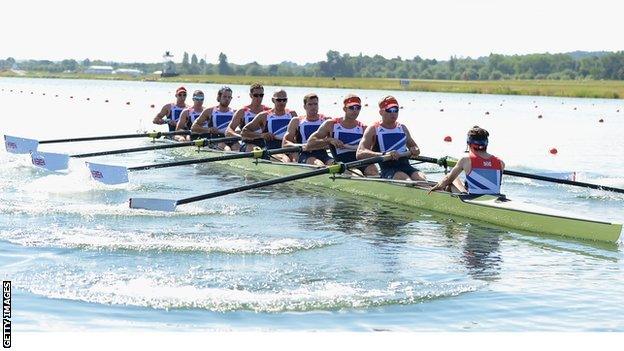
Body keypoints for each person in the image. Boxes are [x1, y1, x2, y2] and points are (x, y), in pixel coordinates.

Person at [307, 94, 378, 176]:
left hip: (360, 161)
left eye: (358, 108)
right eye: (351, 108)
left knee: (373, 171)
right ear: (344, 108)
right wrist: (330, 140)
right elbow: (310, 143)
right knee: (357, 174)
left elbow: (373, 149)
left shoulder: (364, 128)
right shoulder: (331, 124)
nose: (355, 111)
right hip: (342, 163)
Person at [356, 95, 425, 180]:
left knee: (422, 178)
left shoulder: (402, 128)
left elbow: (415, 147)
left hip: (407, 167)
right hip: (388, 170)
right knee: (407, 180)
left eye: (396, 110)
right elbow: (360, 153)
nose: (393, 113)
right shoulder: (373, 129)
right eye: (389, 110)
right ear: (381, 112)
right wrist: (384, 154)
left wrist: (415, 150)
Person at [429, 126, 504, 194]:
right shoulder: (500, 162)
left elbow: (448, 180)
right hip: (496, 197)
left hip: (473, 198)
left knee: (451, 178)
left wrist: (434, 188)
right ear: (486, 144)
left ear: (468, 143)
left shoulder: (465, 160)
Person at [241, 89, 297, 162]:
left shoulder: (292, 114)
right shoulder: (264, 116)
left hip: (289, 147)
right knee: (285, 159)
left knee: (296, 158)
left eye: (284, 100)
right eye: (279, 100)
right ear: (273, 100)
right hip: (272, 150)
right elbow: (244, 132)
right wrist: (261, 135)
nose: (282, 102)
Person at [282, 93, 333, 166]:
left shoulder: (326, 121)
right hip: (304, 154)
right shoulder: (296, 121)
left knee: (333, 163)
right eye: (310, 104)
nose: (313, 107)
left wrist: (315, 145)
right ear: (304, 106)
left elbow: (331, 142)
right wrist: (302, 146)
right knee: (318, 164)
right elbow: (285, 144)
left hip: (323, 154)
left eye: (315, 104)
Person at [191, 86, 240, 151]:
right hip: (215, 139)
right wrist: (208, 130)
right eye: (225, 97)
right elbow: (194, 128)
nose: (227, 99)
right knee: (227, 149)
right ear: (219, 97)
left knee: (237, 148)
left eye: (229, 97)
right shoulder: (209, 111)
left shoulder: (234, 112)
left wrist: (238, 131)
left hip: (230, 139)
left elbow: (238, 128)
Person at [225, 83, 270, 151]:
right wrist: (241, 136)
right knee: (252, 148)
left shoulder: (268, 111)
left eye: (261, 95)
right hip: (247, 143)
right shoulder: (243, 111)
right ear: (250, 95)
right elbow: (228, 131)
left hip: (265, 143)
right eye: (256, 95)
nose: (259, 98)